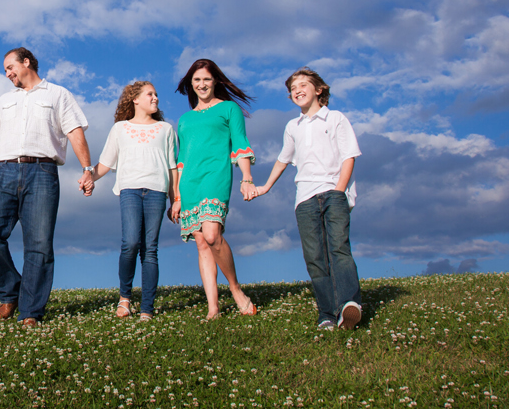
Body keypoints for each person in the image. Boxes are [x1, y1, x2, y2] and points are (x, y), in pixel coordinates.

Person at [0, 47, 93, 327]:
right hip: (2, 170)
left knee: (38, 244)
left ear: (26, 62)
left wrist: (87, 169)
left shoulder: (58, 94)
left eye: (9, 67)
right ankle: (10, 292)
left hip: (42, 171)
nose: (7, 74)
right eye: (5, 70)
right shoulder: (4, 101)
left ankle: (31, 311)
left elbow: (75, 131)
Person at [244, 67, 363, 330]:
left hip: (334, 191)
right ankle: (327, 315)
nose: (296, 90)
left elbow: (348, 156)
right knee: (314, 257)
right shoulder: (292, 127)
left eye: (302, 85)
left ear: (319, 89)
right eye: (292, 89)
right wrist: (264, 187)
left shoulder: (335, 119)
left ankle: (349, 304)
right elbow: (283, 159)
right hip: (305, 199)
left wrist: (339, 190)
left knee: (338, 249)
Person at [78, 81, 177, 321]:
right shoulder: (120, 129)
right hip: (129, 190)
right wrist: (89, 177)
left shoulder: (166, 129)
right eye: (150, 94)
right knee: (131, 243)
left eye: (156, 94)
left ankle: (147, 309)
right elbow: (105, 163)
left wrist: (176, 200)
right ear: (135, 99)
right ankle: (124, 298)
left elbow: (173, 168)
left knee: (150, 249)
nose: (155, 98)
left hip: (157, 191)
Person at [173, 58, 259, 320]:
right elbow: (181, 159)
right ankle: (213, 308)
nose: (202, 84)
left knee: (212, 235)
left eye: (206, 79)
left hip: (215, 176)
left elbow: (240, 144)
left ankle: (235, 289)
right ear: (191, 84)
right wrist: (176, 196)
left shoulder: (229, 109)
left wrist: (247, 177)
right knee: (201, 242)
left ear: (215, 81)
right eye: (197, 80)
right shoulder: (184, 119)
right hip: (189, 183)